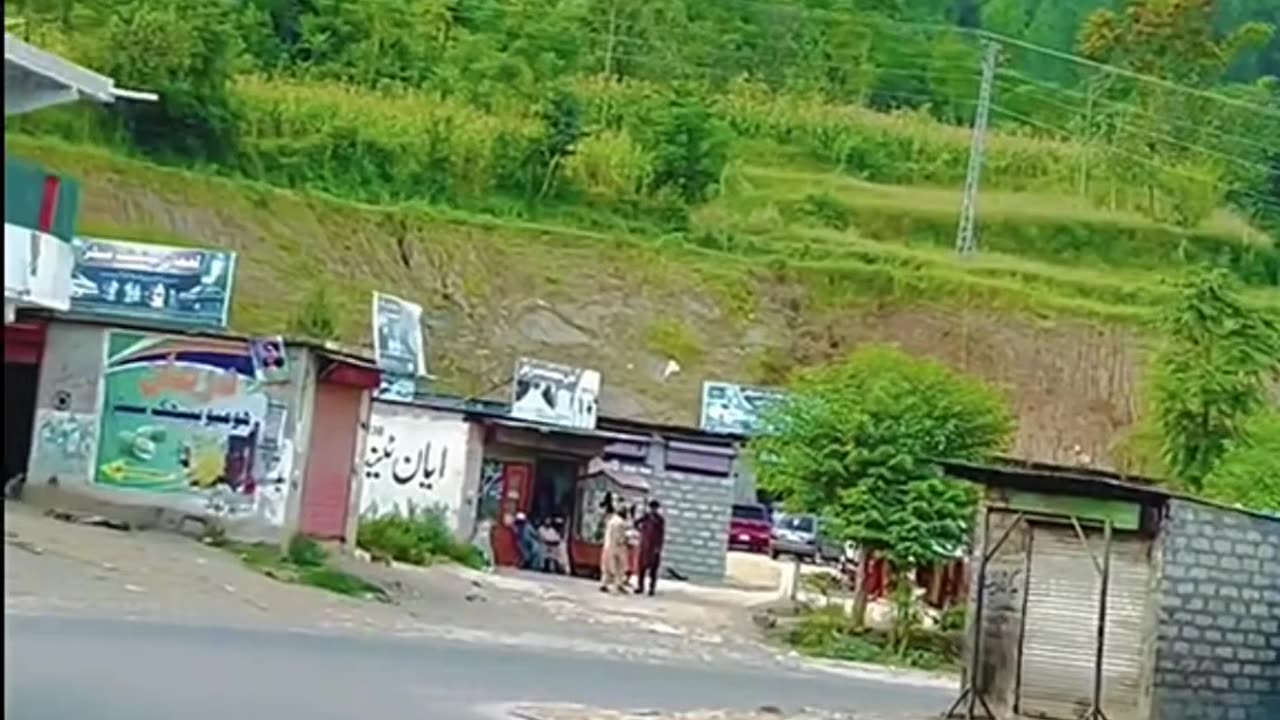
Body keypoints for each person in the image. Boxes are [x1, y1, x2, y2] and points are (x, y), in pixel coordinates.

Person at [635, 499, 666, 596]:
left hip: (654, 548)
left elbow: (661, 534)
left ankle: (652, 588)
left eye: (655, 508)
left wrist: (658, 547)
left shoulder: (660, 520)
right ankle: (640, 586)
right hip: (644, 546)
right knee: (641, 568)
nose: (653, 510)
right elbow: (636, 523)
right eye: (652, 508)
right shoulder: (646, 517)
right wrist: (641, 531)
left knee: (653, 569)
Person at [599, 506, 629, 592]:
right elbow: (620, 537)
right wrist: (625, 540)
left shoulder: (611, 521)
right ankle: (619, 584)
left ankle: (604, 584)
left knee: (607, 566)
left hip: (608, 545)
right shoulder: (621, 523)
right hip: (618, 547)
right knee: (620, 566)